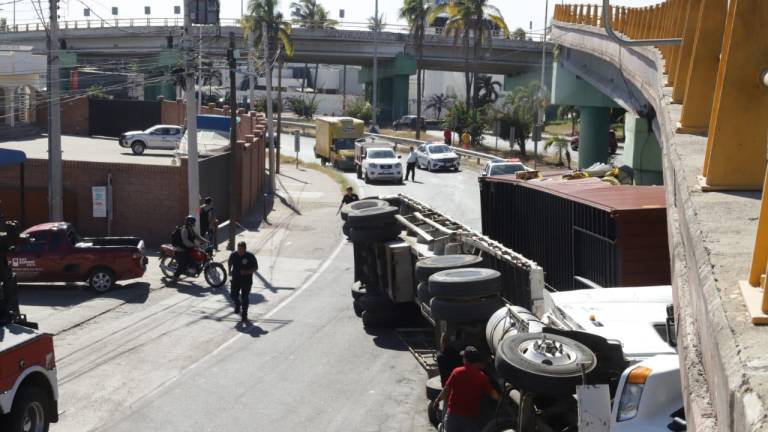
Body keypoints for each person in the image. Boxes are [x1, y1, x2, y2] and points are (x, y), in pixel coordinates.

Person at [434, 346, 500, 432]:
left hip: (453, 416)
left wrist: (437, 400)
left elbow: (446, 390)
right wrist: (502, 400)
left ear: (466, 360)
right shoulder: (482, 377)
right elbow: (493, 394)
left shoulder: (456, 372)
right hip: (470, 419)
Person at [228, 241, 259, 322]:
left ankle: (244, 315)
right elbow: (229, 261)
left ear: (245, 249)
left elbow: (255, 267)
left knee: (244, 298)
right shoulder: (234, 255)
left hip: (246, 281)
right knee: (233, 295)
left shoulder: (250, 256)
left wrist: (247, 272)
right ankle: (237, 304)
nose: (240, 251)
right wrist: (229, 270)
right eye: (238, 249)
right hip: (236, 279)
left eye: (241, 249)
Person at [174, 215, 205, 279]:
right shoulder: (184, 230)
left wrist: (205, 241)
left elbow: (196, 236)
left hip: (188, 247)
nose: (194, 223)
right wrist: (194, 245)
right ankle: (175, 276)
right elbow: (185, 241)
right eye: (193, 222)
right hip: (182, 249)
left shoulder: (190, 228)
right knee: (185, 261)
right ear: (189, 222)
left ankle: (194, 268)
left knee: (198, 254)